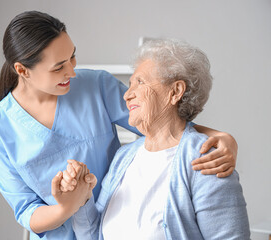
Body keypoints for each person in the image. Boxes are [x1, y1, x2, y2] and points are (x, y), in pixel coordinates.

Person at [0, 11, 239, 239]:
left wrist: (220, 136)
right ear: (22, 70)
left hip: (120, 224)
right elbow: (26, 209)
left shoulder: (95, 86)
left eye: (72, 57)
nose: (72, 71)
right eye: (59, 67)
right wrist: (69, 205)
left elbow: (160, 125)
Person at [56, 38, 250, 239]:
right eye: (130, 84)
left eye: (140, 82)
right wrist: (81, 198)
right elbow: (92, 235)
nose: (127, 95)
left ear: (175, 92)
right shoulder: (124, 157)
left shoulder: (207, 159)